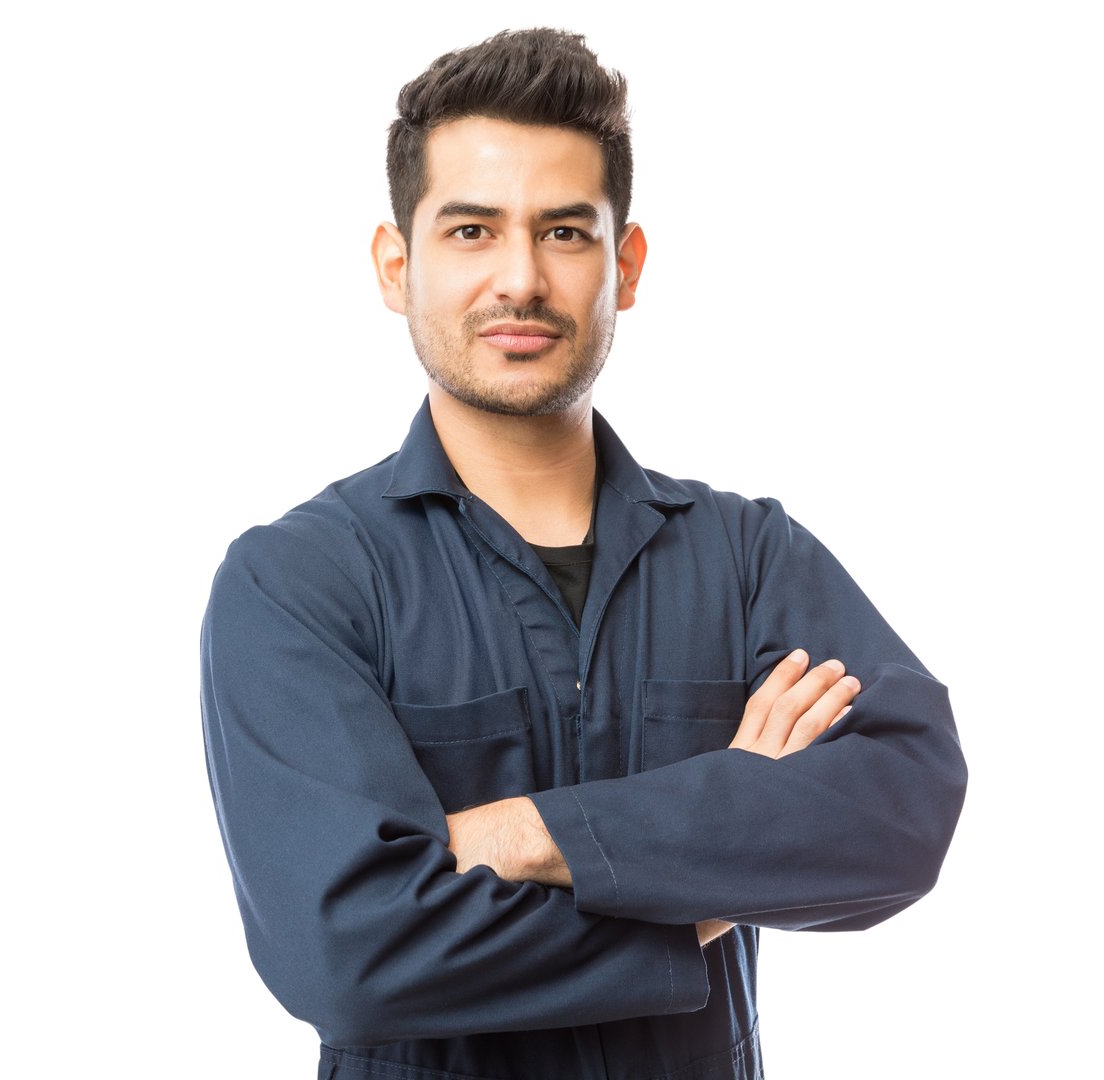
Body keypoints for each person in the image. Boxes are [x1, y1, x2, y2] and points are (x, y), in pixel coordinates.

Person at [200, 28, 967, 1080]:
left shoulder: (747, 558)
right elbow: (346, 954)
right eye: (470, 230)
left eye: (564, 231)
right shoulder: (298, 585)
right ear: (396, 266)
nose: (519, 278)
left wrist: (517, 833)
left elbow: (899, 809)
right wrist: (712, 859)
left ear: (626, 265)